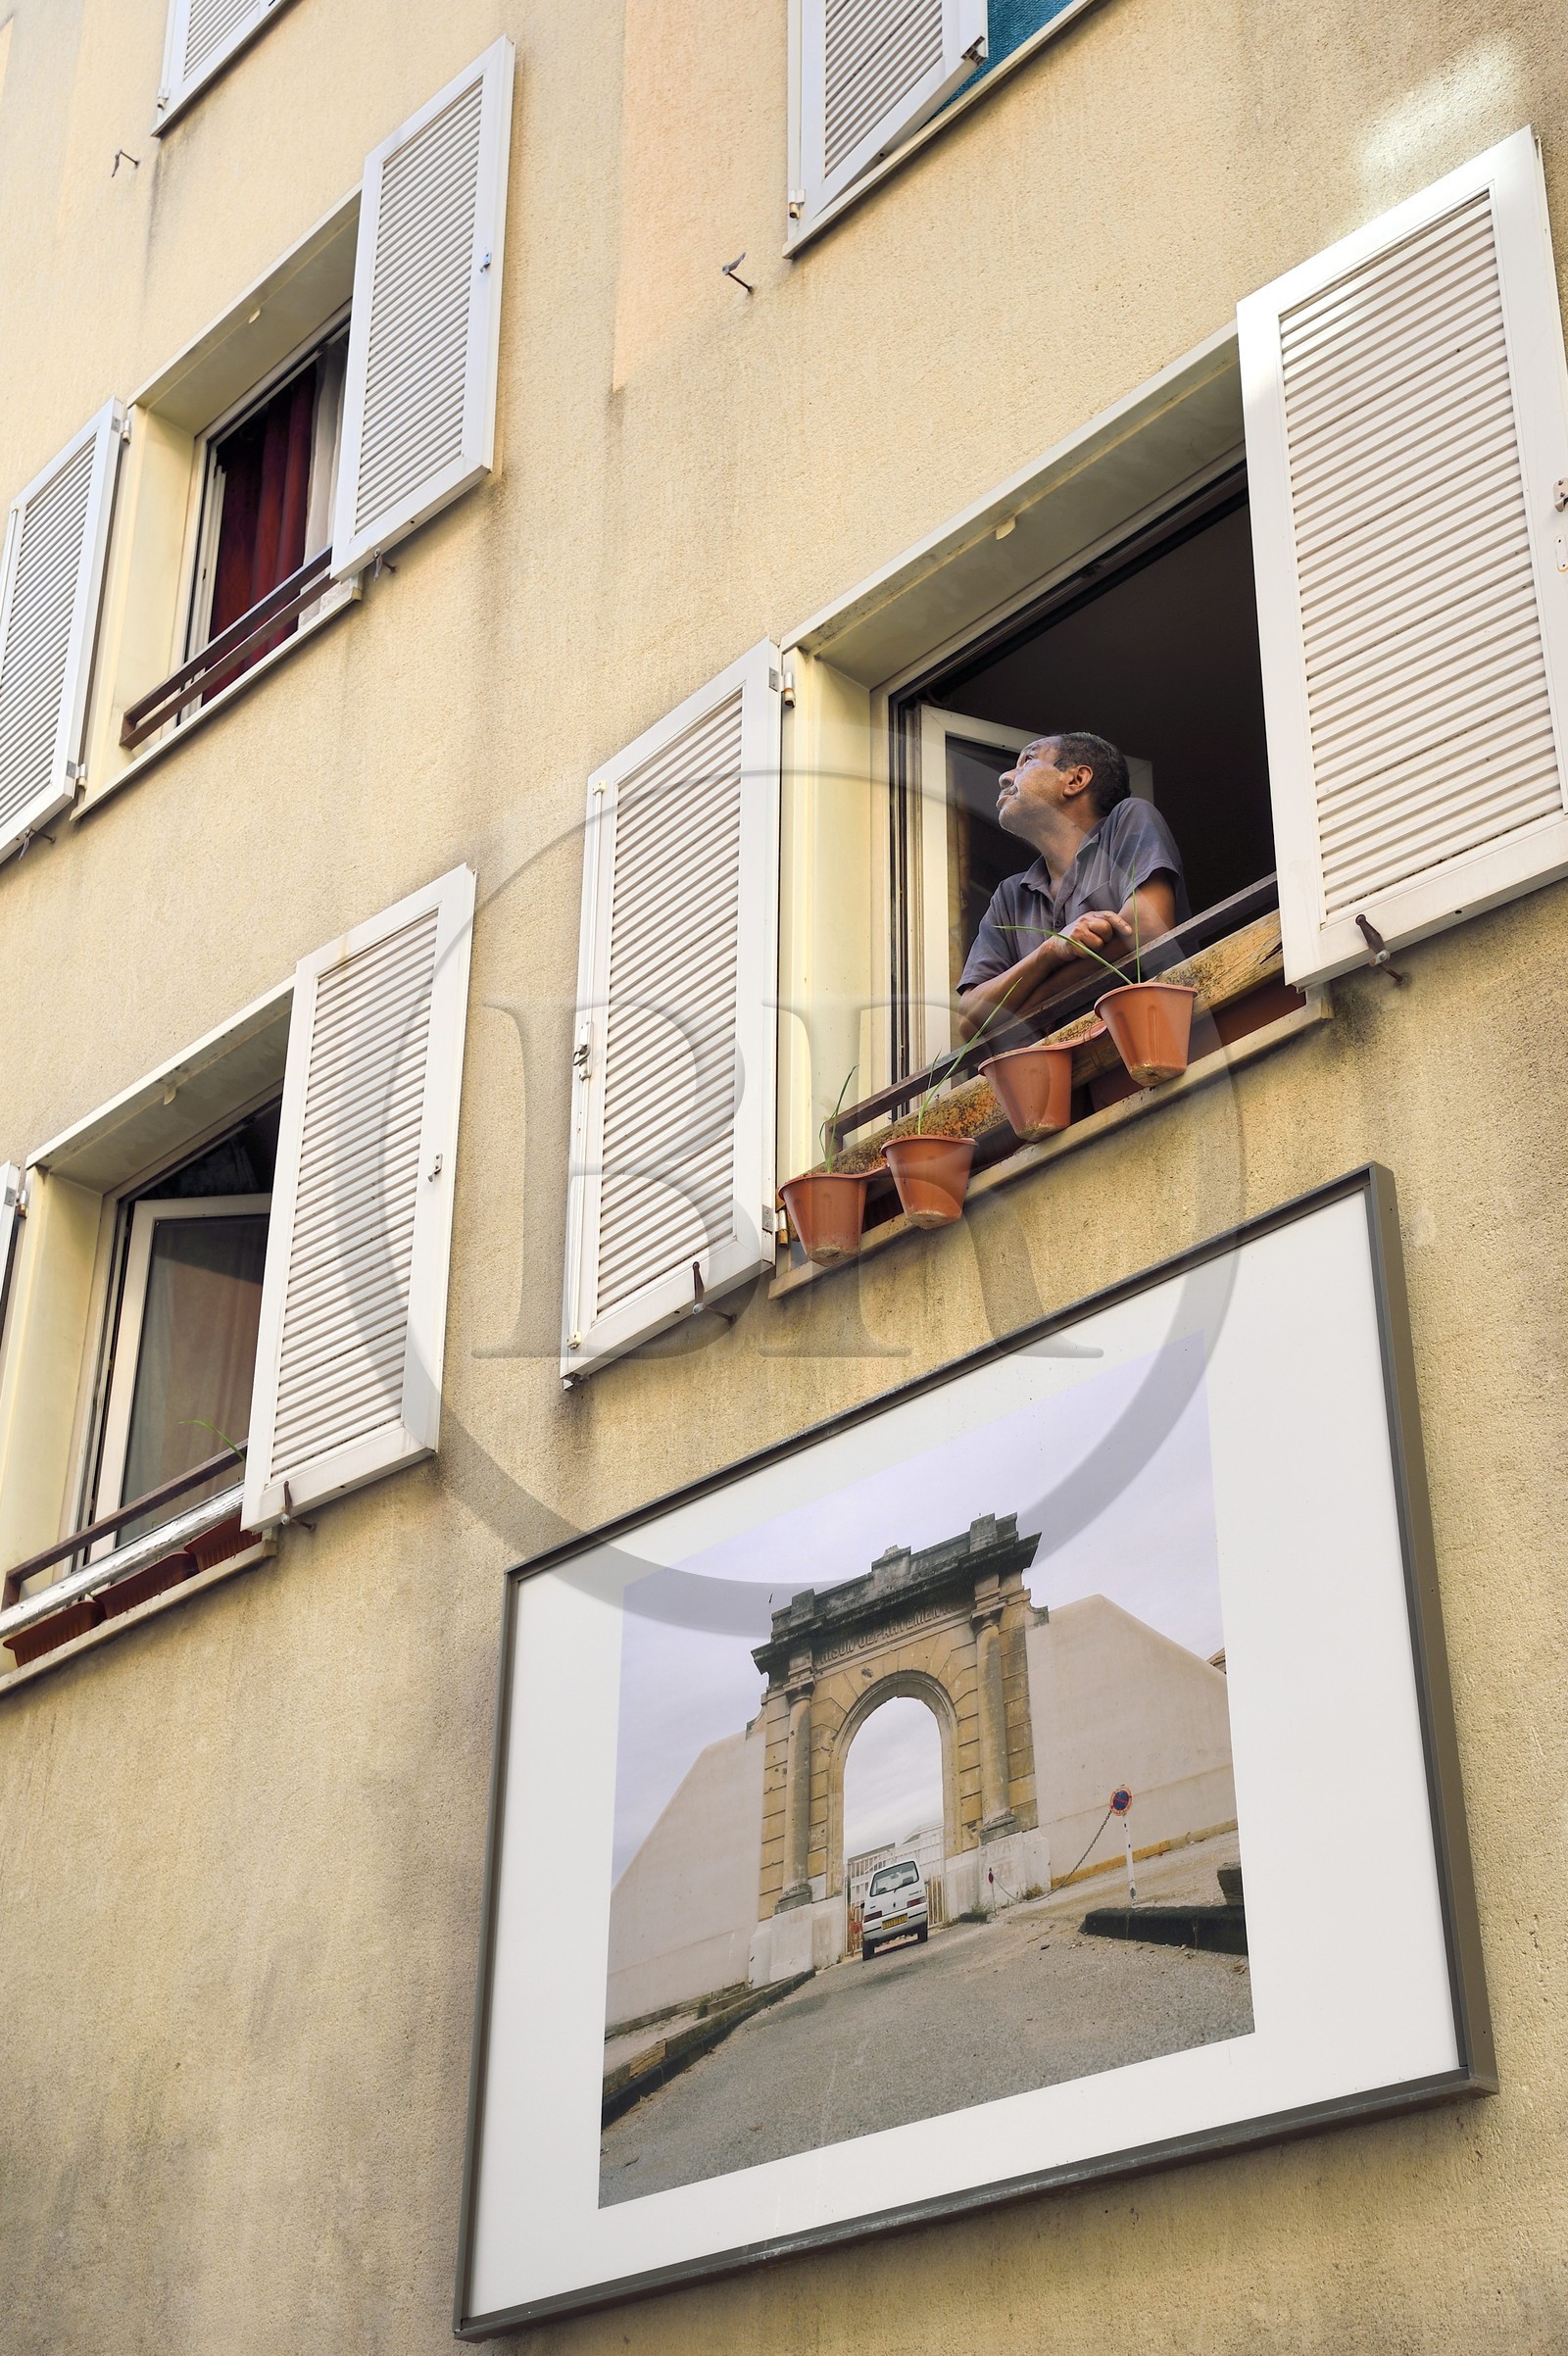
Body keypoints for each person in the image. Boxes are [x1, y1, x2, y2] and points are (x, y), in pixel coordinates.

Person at [955, 732, 1189, 1041]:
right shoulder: (1009, 896)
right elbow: (970, 1021)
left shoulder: (1128, 820)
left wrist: (1030, 1007)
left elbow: (1146, 930)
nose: (1005, 777)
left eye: (1027, 760)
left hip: (1155, 1044)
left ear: (1076, 780)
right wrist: (1050, 951)